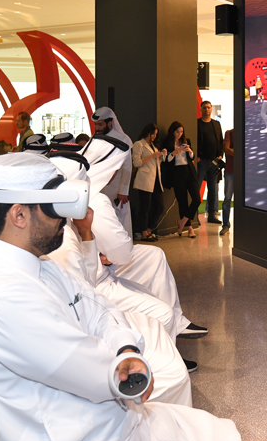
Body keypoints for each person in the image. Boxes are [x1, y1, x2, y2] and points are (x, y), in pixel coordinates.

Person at [0, 153, 258, 441]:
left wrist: (126, 350)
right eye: (54, 209)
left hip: (105, 429)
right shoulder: (0, 297)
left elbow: (102, 309)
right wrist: (118, 364)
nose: (65, 220)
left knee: (222, 438)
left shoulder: (40, 266)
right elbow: (97, 375)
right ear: (18, 215)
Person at [46, 154, 193, 403]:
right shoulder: (59, 239)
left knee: (154, 275)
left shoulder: (63, 228)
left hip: (94, 290)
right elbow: (85, 296)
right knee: (164, 316)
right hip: (94, 298)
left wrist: (86, 233)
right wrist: (125, 346)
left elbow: (86, 278)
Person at [83, 134, 207, 340]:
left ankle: (176, 321)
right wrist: (104, 254)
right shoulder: (95, 199)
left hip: (97, 264)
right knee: (139, 257)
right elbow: (122, 252)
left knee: (155, 255)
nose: (116, 173)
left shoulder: (84, 192)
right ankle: (166, 332)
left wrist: (104, 253)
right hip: (95, 278)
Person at [92, 106, 133, 236]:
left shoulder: (122, 139)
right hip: (99, 188)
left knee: (119, 222)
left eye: (100, 124)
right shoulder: (96, 138)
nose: (97, 127)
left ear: (110, 123)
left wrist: (123, 191)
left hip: (116, 191)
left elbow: (127, 167)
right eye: (95, 125)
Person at [163, 121, 200, 238]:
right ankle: (189, 228)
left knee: (197, 199)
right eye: (177, 132)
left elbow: (192, 157)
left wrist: (190, 151)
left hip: (189, 171)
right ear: (172, 131)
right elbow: (166, 160)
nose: (179, 134)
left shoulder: (186, 141)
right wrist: (174, 152)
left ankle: (182, 221)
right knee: (182, 201)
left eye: (181, 132)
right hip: (177, 173)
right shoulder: (168, 143)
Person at [131, 123, 165, 242]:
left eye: (156, 134)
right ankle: (144, 233)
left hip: (156, 179)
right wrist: (152, 156)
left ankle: (149, 229)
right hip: (144, 179)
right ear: (147, 132)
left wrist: (161, 157)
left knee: (160, 206)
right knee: (145, 207)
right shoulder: (139, 144)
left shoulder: (153, 146)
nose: (154, 136)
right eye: (153, 134)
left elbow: (156, 165)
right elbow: (136, 163)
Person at [196, 101, 224, 225]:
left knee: (213, 188)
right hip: (201, 161)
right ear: (201, 109)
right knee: (196, 188)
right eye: (204, 108)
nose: (207, 109)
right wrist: (196, 155)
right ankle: (194, 214)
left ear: (211, 109)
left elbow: (221, 140)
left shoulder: (216, 124)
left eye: (208, 107)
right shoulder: (197, 124)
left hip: (214, 161)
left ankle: (212, 214)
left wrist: (220, 155)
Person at [221, 128, 234, 236]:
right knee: (227, 199)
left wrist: (233, 151)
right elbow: (227, 149)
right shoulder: (229, 133)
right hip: (230, 171)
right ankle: (225, 225)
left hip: (244, 172)